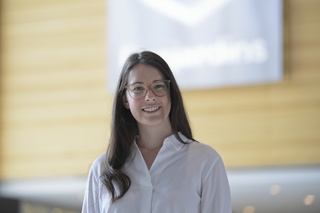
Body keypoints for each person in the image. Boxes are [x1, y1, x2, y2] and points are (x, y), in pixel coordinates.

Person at [81, 50, 232, 213]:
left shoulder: (205, 161)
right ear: (125, 99)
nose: (149, 97)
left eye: (158, 86)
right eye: (138, 88)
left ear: (170, 94)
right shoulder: (102, 169)